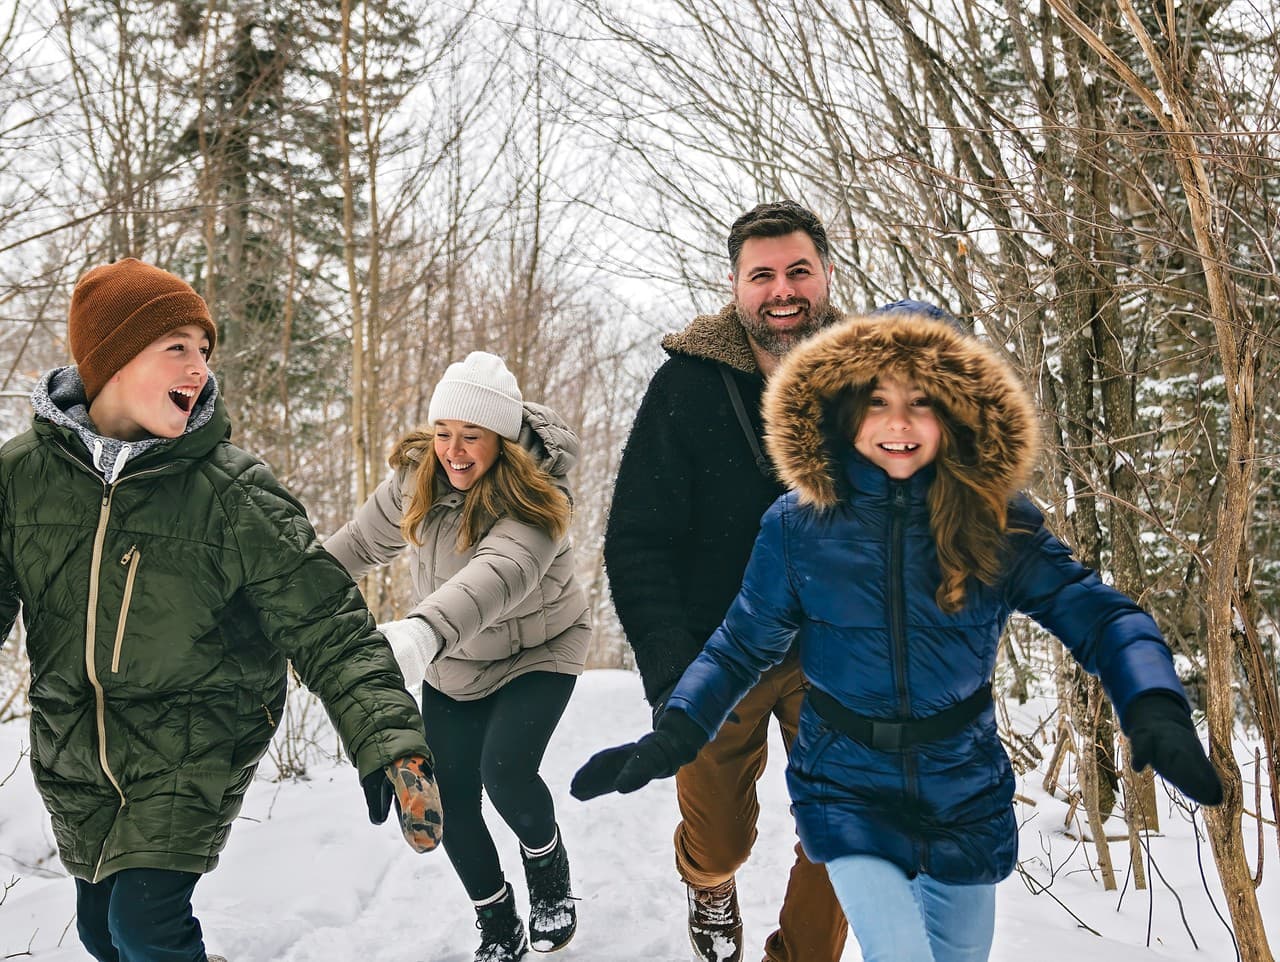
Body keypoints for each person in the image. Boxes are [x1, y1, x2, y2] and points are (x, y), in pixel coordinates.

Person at [573, 306, 1224, 962]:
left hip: (963, 787)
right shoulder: (798, 527)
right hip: (846, 783)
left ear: (958, 412)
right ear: (846, 409)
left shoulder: (999, 524)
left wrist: (1152, 701)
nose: (899, 424)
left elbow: (1102, 617)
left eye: (923, 402)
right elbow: (742, 643)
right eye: (877, 399)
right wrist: (678, 731)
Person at [0, 258, 443, 962]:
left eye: (204, 349)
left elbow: (326, 620)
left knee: (143, 927)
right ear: (110, 358)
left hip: (196, 735)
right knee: (100, 933)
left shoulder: (232, 491)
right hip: (74, 747)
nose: (198, 366)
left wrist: (390, 739)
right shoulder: (20, 477)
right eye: (175, 346)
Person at [601, 199, 848, 962]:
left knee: (850, 824)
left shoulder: (874, 377)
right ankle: (707, 882)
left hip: (841, 654)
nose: (782, 289)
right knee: (720, 839)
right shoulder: (686, 386)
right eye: (763, 274)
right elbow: (635, 541)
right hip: (722, 652)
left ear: (827, 276)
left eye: (798, 270)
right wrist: (676, 676)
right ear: (736, 286)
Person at [325, 351, 589, 962]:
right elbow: (360, 543)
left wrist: (420, 633)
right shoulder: (417, 480)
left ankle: (547, 870)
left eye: (472, 436)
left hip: (538, 652)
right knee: (448, 805)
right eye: (444, 433)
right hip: (455, 662)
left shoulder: (540, 495)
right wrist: (284, 593)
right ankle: (497, 920)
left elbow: (500, 573)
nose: (454, 450)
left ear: (501, 439)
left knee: (505, 772)